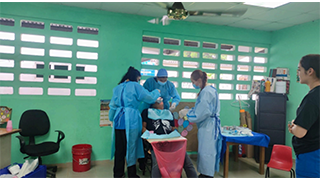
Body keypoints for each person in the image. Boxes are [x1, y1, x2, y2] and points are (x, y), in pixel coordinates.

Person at [109, 66, 161, 178]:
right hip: (130, 120)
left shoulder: (118, 87)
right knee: (131, 148)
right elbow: (149, 97)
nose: (139, 80)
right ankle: (131, 174)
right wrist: (157, 92)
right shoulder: (136, 86)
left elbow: (112, 106)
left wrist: (111, 119)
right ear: (136, 77)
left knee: (119, 149)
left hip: (118, 121)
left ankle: (118, 174)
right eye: (139, 78)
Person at [179, 69, 222, 178]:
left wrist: (187, 115)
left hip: (208, 127)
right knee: (207, 152)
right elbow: (201, 108)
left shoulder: (206, 92)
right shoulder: (211, 89)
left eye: (193, 82)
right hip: (209, 125)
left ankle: (206, 175)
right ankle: (205, 173)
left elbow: (201, 113)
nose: (193, 85)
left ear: (199, 80)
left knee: (206, 153)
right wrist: (191, 111)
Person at [141, 99, 198, 178]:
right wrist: (147, 137)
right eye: (159, 100)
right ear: (153, 101)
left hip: (171, 142)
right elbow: (143, 127)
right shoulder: (147, 112)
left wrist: (176, 133)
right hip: (156, 142)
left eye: (162, 100)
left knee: (187, 162)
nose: (162, 101)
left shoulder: (168, 113)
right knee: (157, 164)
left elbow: (173, 128)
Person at [288, 54, 320, 178]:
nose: (298, 73)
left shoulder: (312, 98)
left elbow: (300, 132)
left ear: (310, 71)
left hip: (311, 154)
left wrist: (293, 127)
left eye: (299, 69)